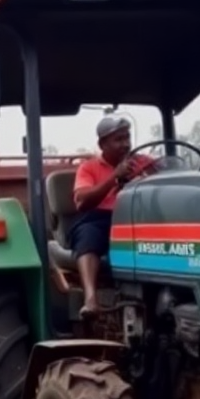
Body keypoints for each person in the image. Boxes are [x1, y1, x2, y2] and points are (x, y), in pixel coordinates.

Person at [71, 116, 157, 316]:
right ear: (103, 144)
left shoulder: (144, 163)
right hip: (101, 220)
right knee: (87, 234)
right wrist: (114, 177)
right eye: (118, 139)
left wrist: (148, 176)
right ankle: (91, 299)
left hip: (137, 219)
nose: (125, 144)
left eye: (127, 138)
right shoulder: (89, 167)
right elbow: (82, 201)